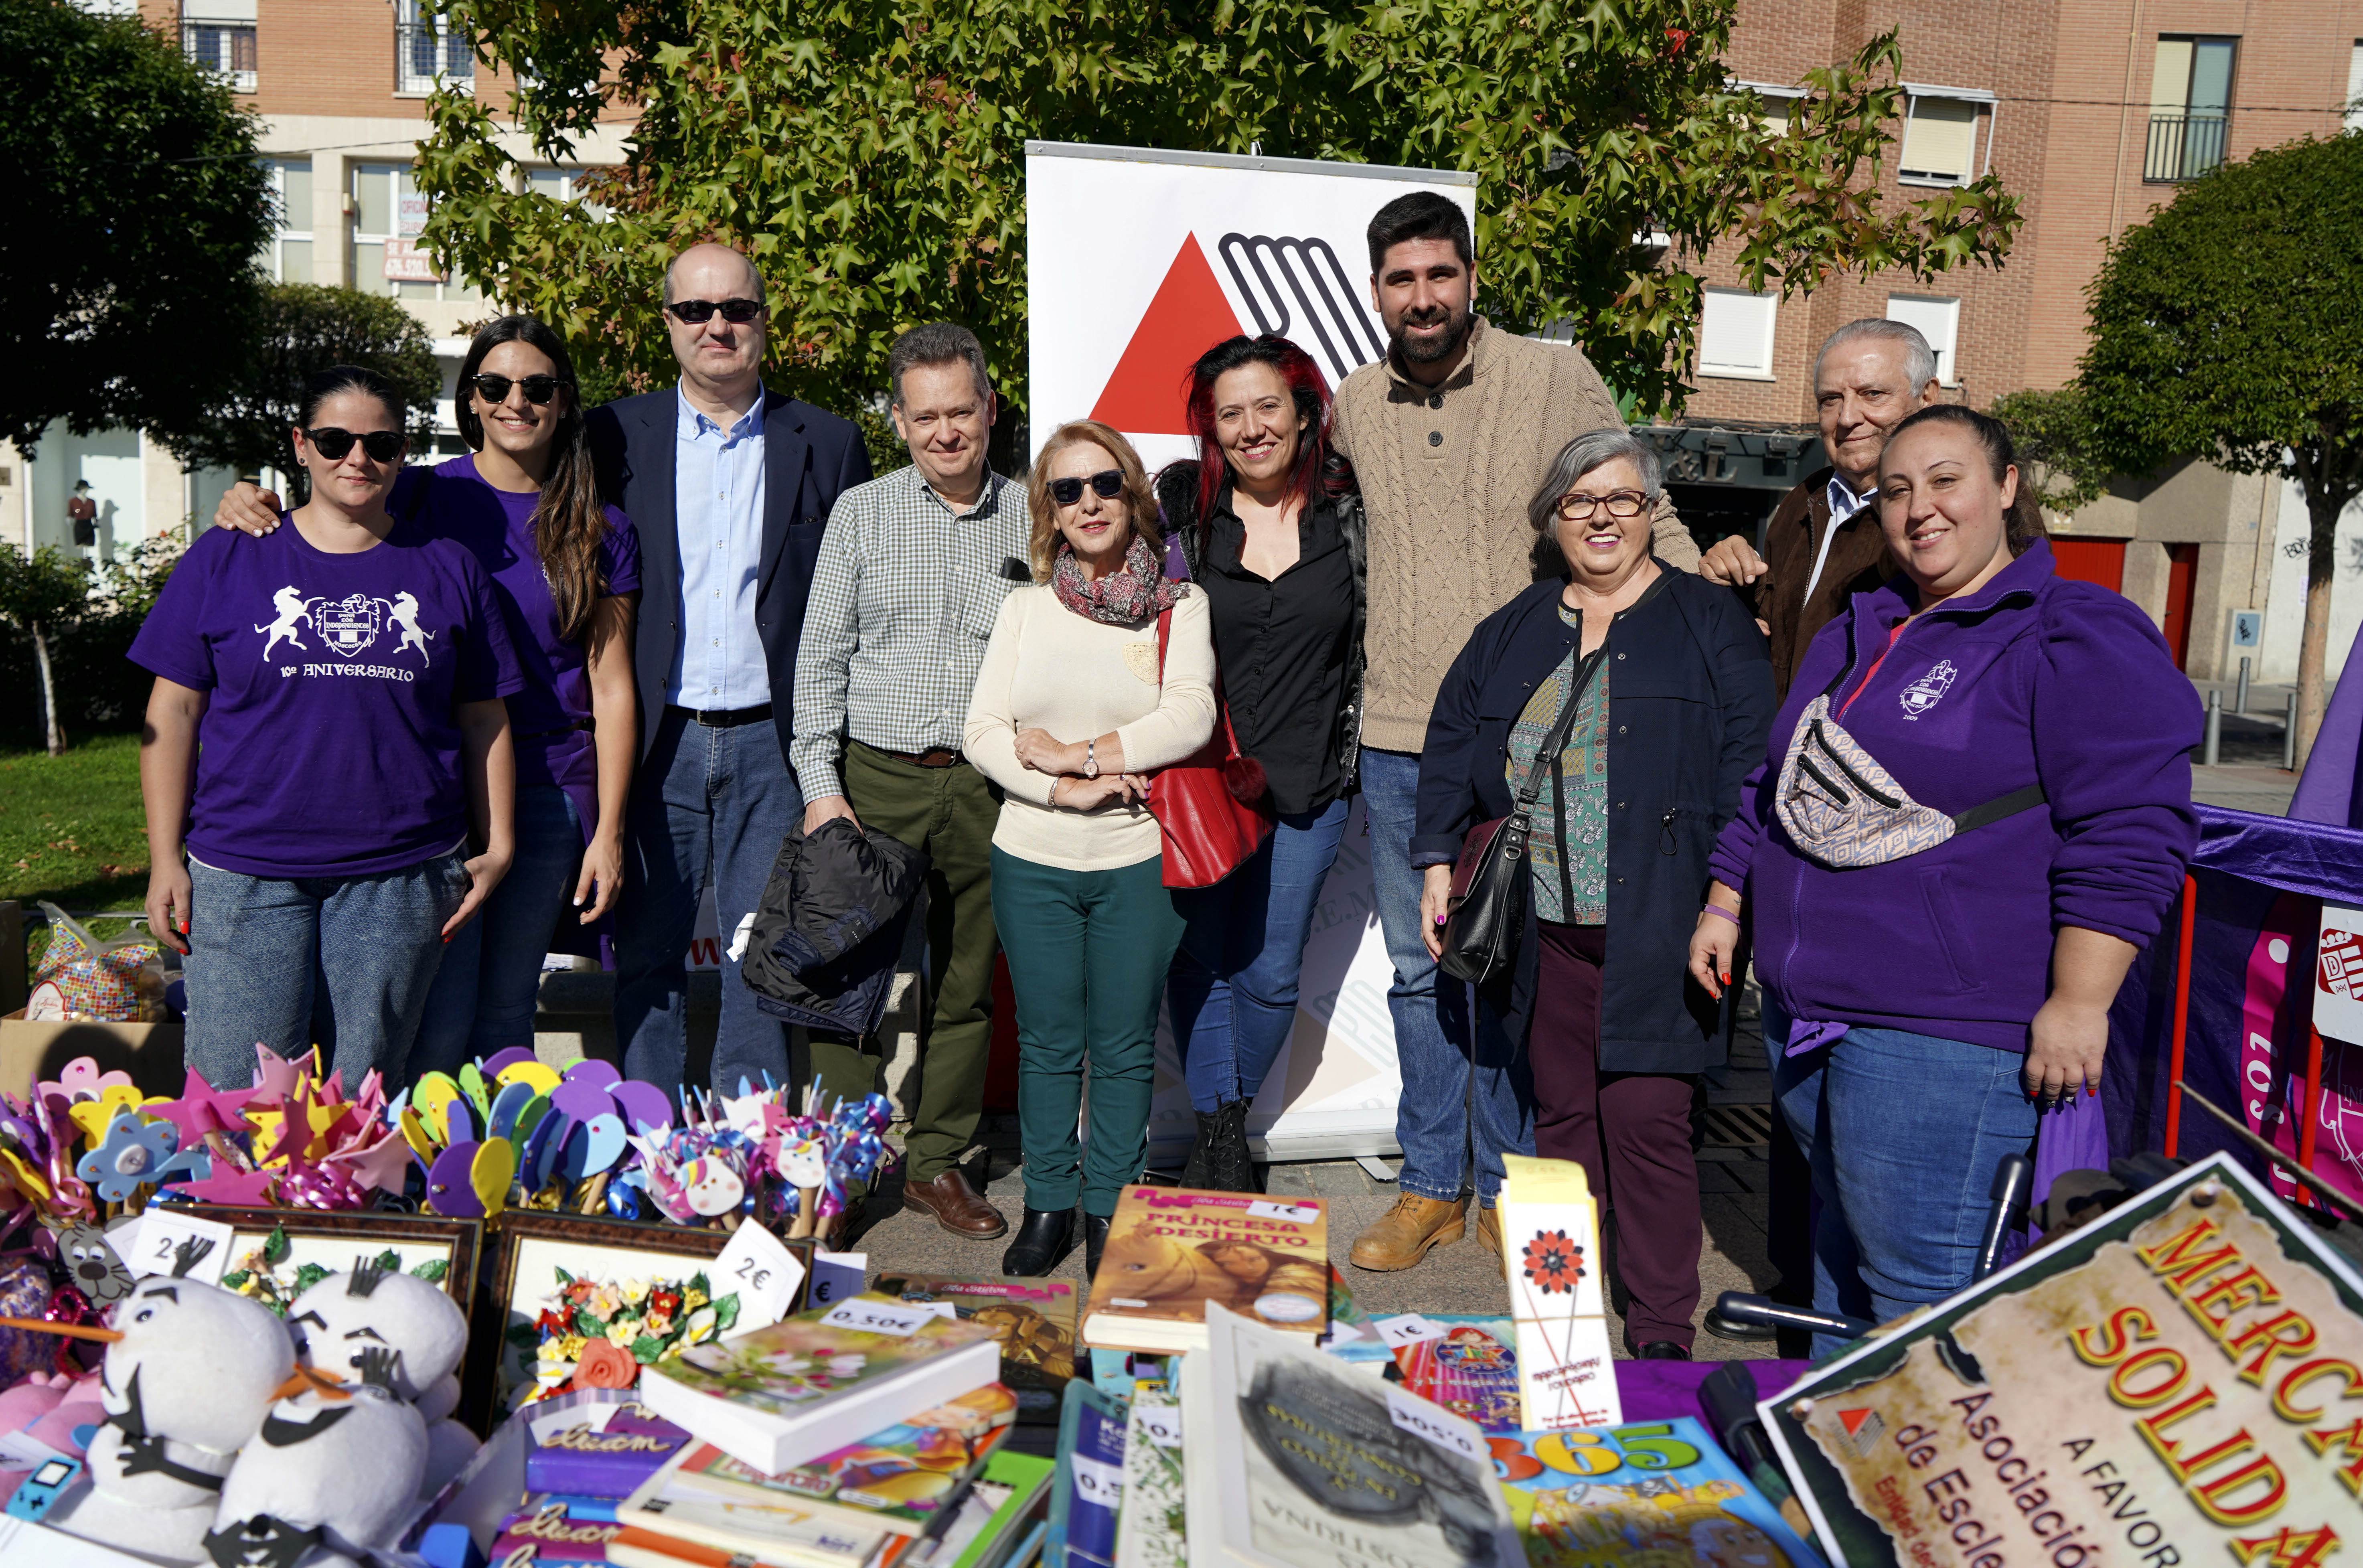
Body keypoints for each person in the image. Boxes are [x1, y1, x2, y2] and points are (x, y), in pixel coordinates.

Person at [1689, 405, 2200, 1353]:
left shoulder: (2072, 630)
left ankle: (1918, 1452)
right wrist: (1726, 896)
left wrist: (2080, 1001)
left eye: (1944, 480)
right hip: (1805, 1014)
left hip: (1941, 1036)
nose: (1918, 507)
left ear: (2005, 487)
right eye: (1896, 490)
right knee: (1843, 1272)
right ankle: (1841, 1444)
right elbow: (1778, 779)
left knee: (1922, 1308)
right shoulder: (1860, 628)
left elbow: (2130, 825)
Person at [1329, 189, 1701, 1273]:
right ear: (1376, 292)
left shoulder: (1551, 375)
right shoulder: (1353, 402)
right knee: (1420, 968)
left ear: (1471, 277)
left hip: (1535, 731)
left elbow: (1635, 503)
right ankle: (1429, 1184)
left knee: (1516, 967)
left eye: (1439, 274)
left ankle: (1507, 1184)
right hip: (1400, 736)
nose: (1422, 296)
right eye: (1401, 280)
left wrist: (1704, 616)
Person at [208, 316, 643, 1077]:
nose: (516, 401)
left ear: (566, 401)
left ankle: (490, 1147)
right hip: (426, 781)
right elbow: (323, 512)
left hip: (543, 788)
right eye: (495, 385)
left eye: (538, 387)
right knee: (426, 1004)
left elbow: (611, 688)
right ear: (470, 398)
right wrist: (247, 498)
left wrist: (608, 829)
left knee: (504, 1004)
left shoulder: (600, 527)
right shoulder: (416, 490)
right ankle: (406, 1143)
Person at [1416, 429, 1772, 1358]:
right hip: (1545, 933)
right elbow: (1452, 741)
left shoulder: (1708, 620)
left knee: (1648, 1123)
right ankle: (1565, 1321)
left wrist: (1726, 899)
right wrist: (1435, 864)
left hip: (1664, 925)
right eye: (1579, 501)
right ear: (1553, 519)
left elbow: (1752, 768)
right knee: (1564, 1123)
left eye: (1621, 498)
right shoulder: (1514, 626)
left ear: (1651, 510)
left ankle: (1658, 1329)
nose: (1601, 517)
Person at [137, 365, 522, 1087]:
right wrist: (164, 858)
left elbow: (483, 717)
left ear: (404, 451)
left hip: (400, 869)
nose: (358, 458)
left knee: (366, 1097)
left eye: (381, 443)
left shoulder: (449, 569)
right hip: (244, 865)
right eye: (335, 440)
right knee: (240, 1096)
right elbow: (173, 711)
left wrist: (499, 847)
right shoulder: (228, 555)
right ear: (300, 445)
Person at [589, 243, 871, 1121]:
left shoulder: (828, 441)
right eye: (696, 310)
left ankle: (749, 1148)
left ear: (764, 321)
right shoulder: (609, 436)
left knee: (763, 957)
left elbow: (857, 593)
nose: (717, 325)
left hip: (773, 741)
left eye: (737, 309)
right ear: (668, 323)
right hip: (654, 735)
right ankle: (647, 1141)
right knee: (647, 956)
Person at [792, 323, 1030, 1241]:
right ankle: (844, 1166)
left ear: (989, 409)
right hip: (874, 781)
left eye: (960, 412)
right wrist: (821, 784)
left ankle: (936, 1162)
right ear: (897, 420)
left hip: (986, 787)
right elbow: (821, 658)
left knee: (967, 985)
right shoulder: (861, 514)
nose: (945, 432)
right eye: (925, 417)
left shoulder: (1034, 515)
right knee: (842, 984)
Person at [963, 419, 1216, 1277]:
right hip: (1031, 855)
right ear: (1050, 511)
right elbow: (984, 731)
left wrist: (1079, 755)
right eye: (1067, 490)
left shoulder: (1179, 607)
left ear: (1132, 492)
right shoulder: (1025, 609)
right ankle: (1048, 1202)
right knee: (1046, 1043)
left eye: (1105, 483)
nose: (1089, 502)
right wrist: (1058, 789)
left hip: (1137, 859)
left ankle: (1110, 1203)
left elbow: (1190, 715)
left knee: (1122, 1044)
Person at [1155, 335, 1364, 1193]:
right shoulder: (1184, 511)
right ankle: (1222, 1142)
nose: (1251, 429)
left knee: (1274, 971)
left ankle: (1222, 1132)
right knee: (1201, 956)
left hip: (1314, 781)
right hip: (1205, 780)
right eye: (1230, 414)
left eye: (1267, 406)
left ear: (1305, 412)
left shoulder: (1351, 515)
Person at [1694, 319, 1940, 691]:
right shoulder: (1803, 501)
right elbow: (1775, 634)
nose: (1847, 418)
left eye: (1872, 394)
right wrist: (1733, 585)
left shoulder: (1964, 506)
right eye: (1830, 400)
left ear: (1927, 397)